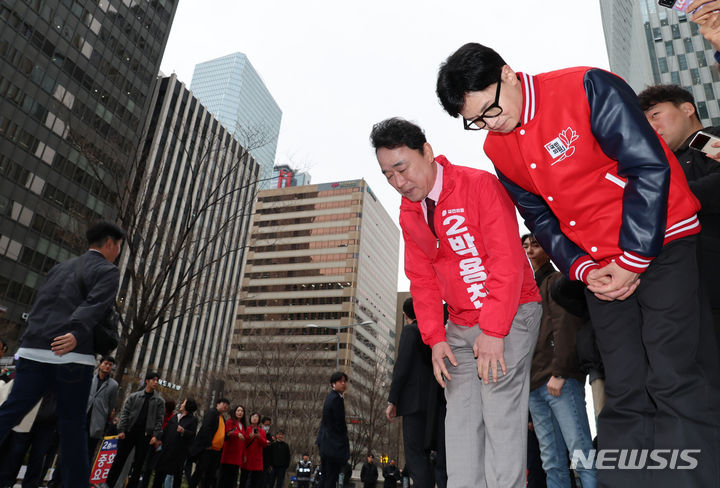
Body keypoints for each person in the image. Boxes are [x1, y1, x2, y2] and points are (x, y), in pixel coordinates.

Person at [435, 42, 720, 487]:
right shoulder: (499, 148)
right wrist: (583, 269)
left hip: (662, 242)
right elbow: (541, 218)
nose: (491, 123)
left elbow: (647, 167)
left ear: (509, 73)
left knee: (673, 373)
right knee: (624, 385)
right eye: (477, 121)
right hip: (601, 271)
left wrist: (634, 257)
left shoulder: (585, 86)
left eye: (491, 108)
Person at [370, 118, 541, 487]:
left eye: (402, 168)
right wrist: (436, 339)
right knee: (460, 424)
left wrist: (494, 331)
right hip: (460, 326)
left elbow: (507, 261)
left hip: (509, 312)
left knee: (499, 414)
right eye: (388, 175)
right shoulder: (410, 211)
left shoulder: (477, 185)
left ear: (427, 153)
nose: (398, 182)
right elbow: (423, 281)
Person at [0, 221, 123, 487]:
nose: (118, 252)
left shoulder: (60, 267)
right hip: (70, 355)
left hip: (33, 349)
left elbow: (41, 302)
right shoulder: (108, 271)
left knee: (10, 412)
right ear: (110, 243)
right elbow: (95, 304)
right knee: (72, 426)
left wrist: (28, 339)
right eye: (118, 247)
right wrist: (77, 333)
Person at [638, 84, 720, 346]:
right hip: (690, 290)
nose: (651, 127)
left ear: (687, 109)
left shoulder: (706, 141)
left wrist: (668, 200)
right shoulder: (661, 166)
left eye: (655, 115)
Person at [522, 234, 597, 488]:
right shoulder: (528, 289)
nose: (530, 251)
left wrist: (562, 371)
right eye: (526, 247)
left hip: (558, 381)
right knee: (551, 462)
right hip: (534, 386)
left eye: (535, 245)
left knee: (581, 454)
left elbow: (567, 326)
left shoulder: (555, 281)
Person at [386, 297, 438, 488]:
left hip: (413, 404)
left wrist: (393, 400)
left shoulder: (410, 331)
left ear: (405, 314)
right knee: (424, 455)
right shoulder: (431, 334)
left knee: (414, 454)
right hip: (431, 403)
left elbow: (402, 367)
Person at [104, 371, 165, 488]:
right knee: (119, 460)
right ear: (147, 381)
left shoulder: (159, 401)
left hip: (145, 435)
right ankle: (107, 484)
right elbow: (124, 413)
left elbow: (159, 420)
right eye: (153, 380)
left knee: (138, 464)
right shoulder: (134, 396)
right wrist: (121, 430)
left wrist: (156, 436)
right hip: (128, 432)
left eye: (157, 380)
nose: (156, 382)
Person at [153, 398, 198, 488]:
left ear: (187, 406)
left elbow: (192, 435)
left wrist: (184, 431)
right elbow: (166, 430)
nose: (181, 404)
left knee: (176, 477)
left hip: (178, 454)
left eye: (183, 403)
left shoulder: (192, 420)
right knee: (159, 474)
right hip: (165, 450)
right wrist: (158, 439)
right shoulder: (175, 416)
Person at [315, 372, 350, 488]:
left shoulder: (330, 397)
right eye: (340, 381)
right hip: (333, 445)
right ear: (333, 384)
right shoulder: (336, 399)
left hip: (326, 444)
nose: (343, 384)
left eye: (345, 381)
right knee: (331, 477)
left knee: (325, 476)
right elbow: (339, 423)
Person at [188, 397, 230, 488]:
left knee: (210, 474)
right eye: (223, 404)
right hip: (208, 449)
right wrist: (208, 444)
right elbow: (206, 428)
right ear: (217, 404)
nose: (225, 407)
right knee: (200, 472)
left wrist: (227, 435)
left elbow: (220, 432)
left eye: (227, 406)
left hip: (217, 451)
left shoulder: (222, 417)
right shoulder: (212, 413)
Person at [87, 355, 118, 464]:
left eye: (110, 365)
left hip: (97, 423)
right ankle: (58, 479)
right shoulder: (89, 378)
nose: (107, 366)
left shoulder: (114, 385)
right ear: (100, 364)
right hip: (82, 419)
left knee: (88, 453)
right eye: (105, 363)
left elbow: (111, 405)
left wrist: (106, 422)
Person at [218, 405, 247, 488]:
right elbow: (227, 432)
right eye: (238, 410)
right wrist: (236, 434)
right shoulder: (230, 422)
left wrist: (244, 455)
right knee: (224, 478)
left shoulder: (243, 425)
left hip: (237, 456)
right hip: (228, 455)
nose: (240, 412)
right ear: (234, 412)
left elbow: (244, 442)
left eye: (242, 411)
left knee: (233, 478)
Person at [243, 412, 269, 488]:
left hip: (257, 460)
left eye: (256, 417)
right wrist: (249, 437)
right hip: (247, 458)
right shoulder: (246, 429)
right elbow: (243, 443)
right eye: (253, 417)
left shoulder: (262, 431)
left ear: (259, 419)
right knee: (245, 479)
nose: (254, 418)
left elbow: (264, 444)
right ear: (250, 419)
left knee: (255, 480)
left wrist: (259, 437)